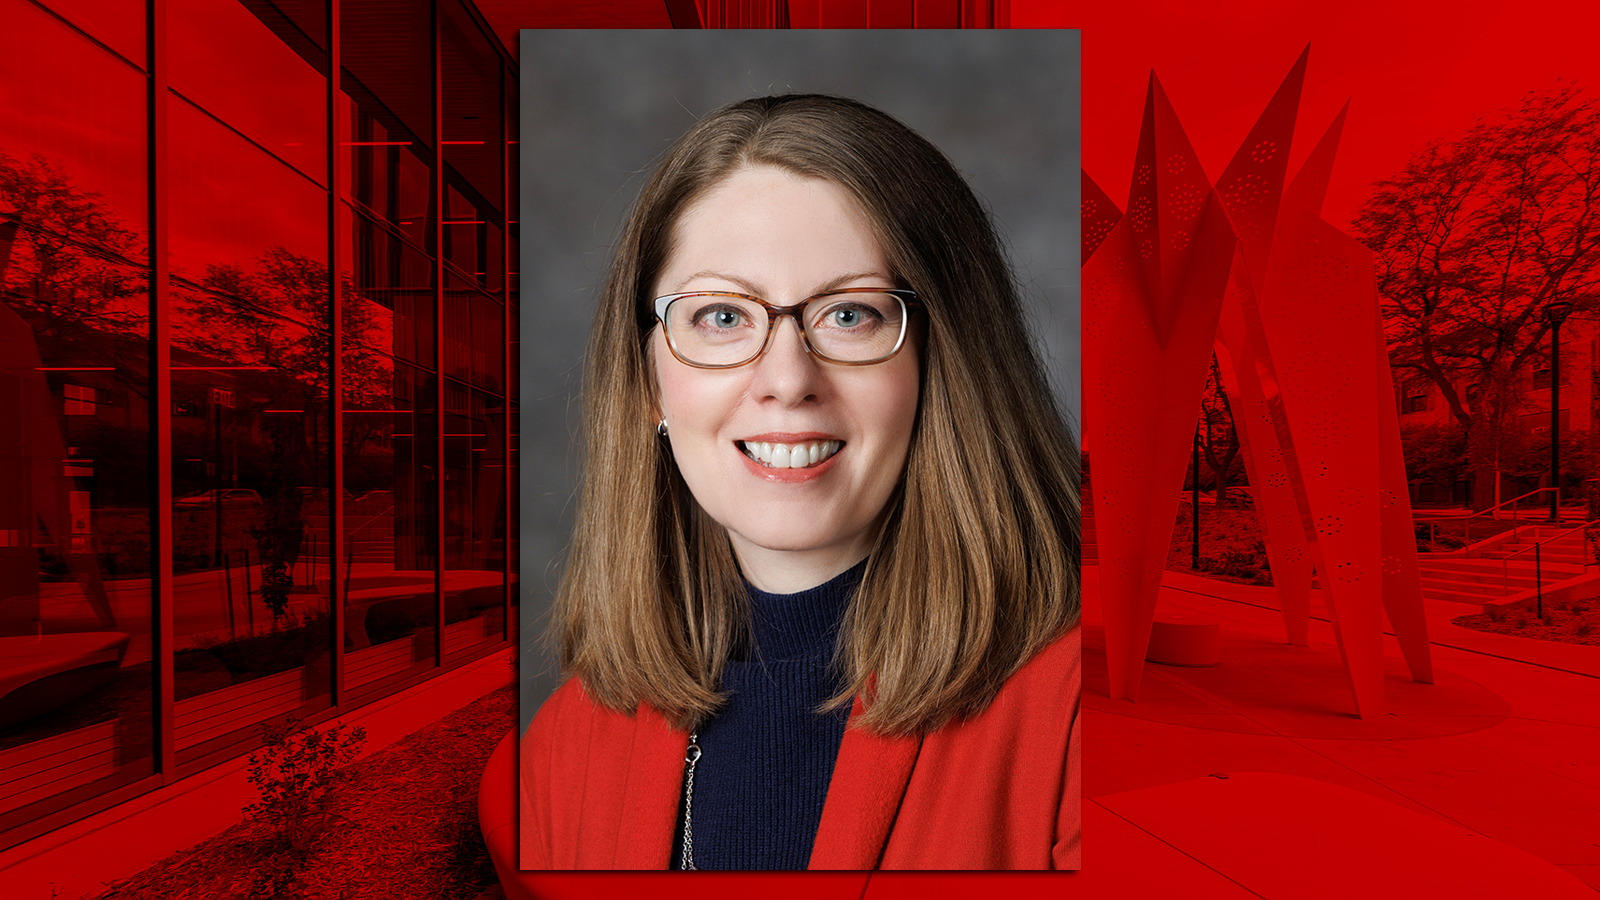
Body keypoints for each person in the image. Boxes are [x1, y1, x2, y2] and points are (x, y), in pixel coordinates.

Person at [521, 93, 1080, 870]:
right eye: (721, 317)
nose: (787, 379)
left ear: (944, 366)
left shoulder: (1080, 722)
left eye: (851, 315)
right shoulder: (562, 752)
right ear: (648, 380)